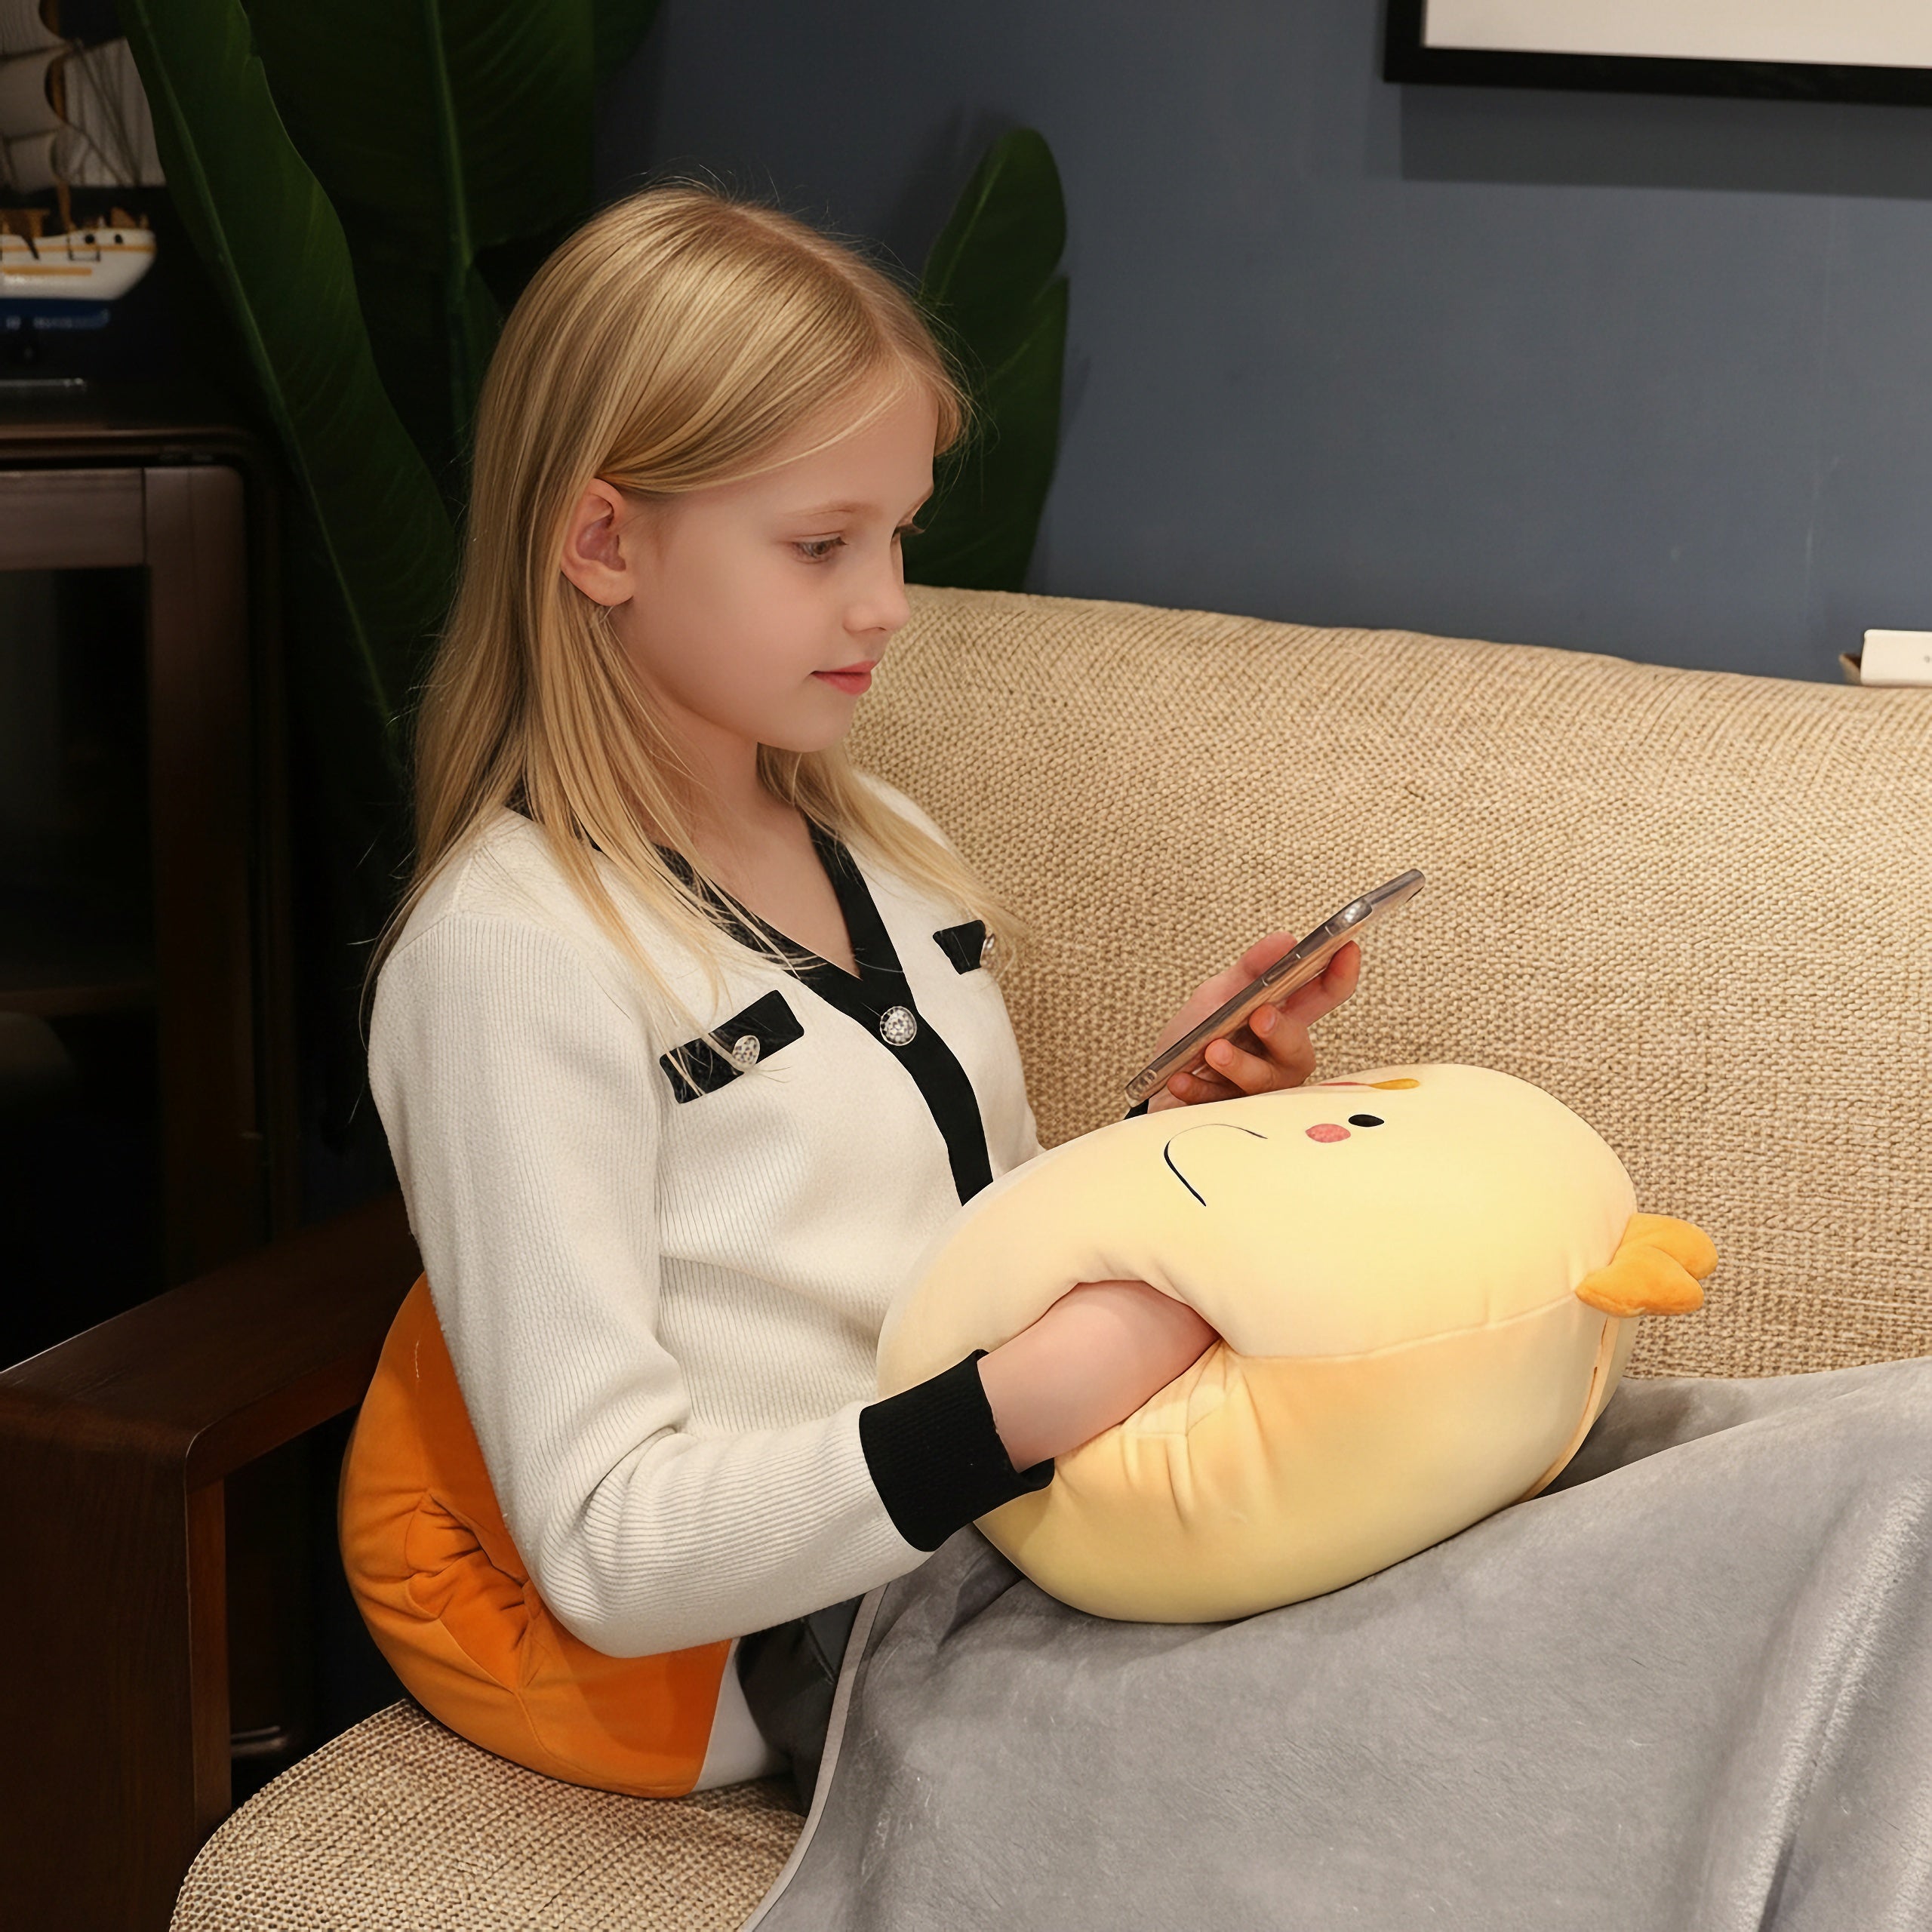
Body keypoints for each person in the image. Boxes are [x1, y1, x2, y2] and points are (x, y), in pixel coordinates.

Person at [339, 183, 1360, 1805]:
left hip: (1044, 1521)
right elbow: (606, 1543)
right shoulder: (508, 956)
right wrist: (1026, 1402)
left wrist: (1176, 1131)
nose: (884, 598)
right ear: (601, 540)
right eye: (821, 544)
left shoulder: (893, 857)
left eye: (896, 531)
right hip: (842, 1629)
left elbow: (962, 1248)